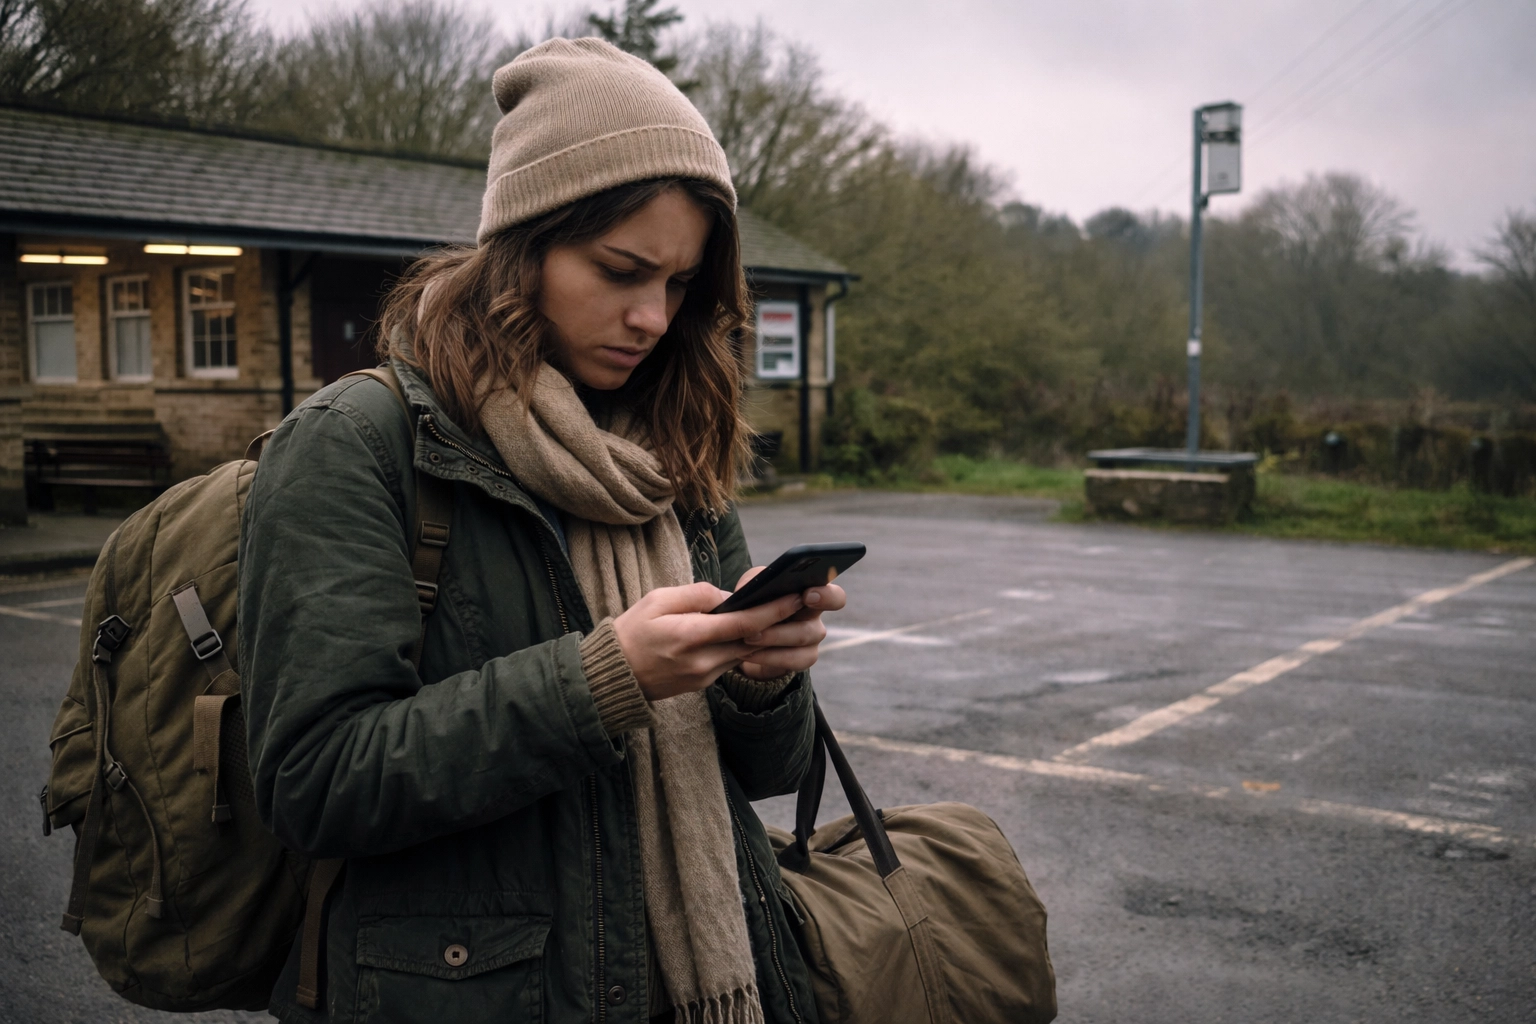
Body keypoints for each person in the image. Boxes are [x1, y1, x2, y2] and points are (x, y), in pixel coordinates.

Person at [238, 37, 842, 1024]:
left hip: (713, 980)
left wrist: (765, 676)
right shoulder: (357, 446)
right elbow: (316, 781)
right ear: (524, 245)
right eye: (620, 269)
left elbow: (769, 776)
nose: (651, 317)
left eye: (680, 283)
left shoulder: (665, 447)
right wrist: (607, 678)